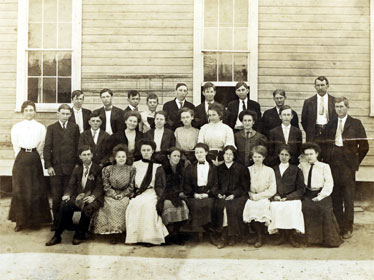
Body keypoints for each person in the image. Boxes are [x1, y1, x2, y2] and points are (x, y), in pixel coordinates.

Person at [325, 97, 369, 239]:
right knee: (336, 196)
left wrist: (355, 162)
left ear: (347, 107)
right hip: (333, 163)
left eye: (342, 106)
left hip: (347, 166)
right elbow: (325, 143)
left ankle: (348, 228)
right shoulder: (331, 124)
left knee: (348, 197)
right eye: (337, 107)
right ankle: (338, 225)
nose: (339, 109)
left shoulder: (355, 123)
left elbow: (364, 146)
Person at [46, 145, 104, 246]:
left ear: (92, 155)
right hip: (79, 197)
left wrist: (93, 197)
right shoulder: (77, 169)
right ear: (80, 157)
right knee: (65, 204)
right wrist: (67, 194)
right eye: (84, 155)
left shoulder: (98, 169)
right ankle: (57, 235)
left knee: (88, 208)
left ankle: (79, 234)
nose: (86, 157)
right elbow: (71, 185)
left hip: (93, 197)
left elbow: (100, 187)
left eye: (88, 154)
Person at [9, 101, 51, 232]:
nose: (29, 112)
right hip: (21, 158)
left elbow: (41, 144)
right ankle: (20, 221)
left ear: (35, 112)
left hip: (34, 157)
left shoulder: (40, 127)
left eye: (31, 110)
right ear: (22, 112)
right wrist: (21, 156)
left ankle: (35, 221)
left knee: (35, 188)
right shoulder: (17, 127)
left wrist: (34, 155)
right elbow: (15, 144)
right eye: (26, 110)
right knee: (20, 189)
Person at [125, 139, 168, 245]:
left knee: (149, 207)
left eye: (148, 150)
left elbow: (160, 185)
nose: (146, 152)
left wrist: (160, 197)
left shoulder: (158, 166)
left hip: (151, 192)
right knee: (134, 204)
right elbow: (130, 181)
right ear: (140, 151)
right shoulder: (134, 165)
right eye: (143, 150)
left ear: (153, 151)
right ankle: (135, 238)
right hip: (139, 192)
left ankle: (150, 238)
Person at [299, 142, 342, 247]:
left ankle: (328, 240)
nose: (309, 157)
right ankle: (309, 240)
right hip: (307, 193)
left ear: (316, 154)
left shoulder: (324, 166)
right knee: (306, 208)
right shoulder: (302, 166)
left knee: (324, 210)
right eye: (307, 154)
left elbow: (329, 183)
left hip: (321, 193)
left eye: (311, 154)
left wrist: (320, 196)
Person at [90, 144, 136, 244]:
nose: (121, 159)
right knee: (109, 205)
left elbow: (131, 186)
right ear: (115, 157)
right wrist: (114, 195)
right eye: (119, 156)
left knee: (124, 205)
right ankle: (113, 233)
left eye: (123, 156)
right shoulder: (107, 169)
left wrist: (123, 195)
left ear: (126, 157)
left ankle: (122, 232)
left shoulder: (131, 169)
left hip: (124, 194)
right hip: (110, 194)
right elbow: (106, 186)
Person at [44, 104, 80, 230]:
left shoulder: (74, 128)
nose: (65, 116)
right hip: (56, 169)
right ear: (58, 114)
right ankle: (56, 223)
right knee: (56, 196)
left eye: (67, 114)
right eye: (63, 113)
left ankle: (68, 222)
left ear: (70, 115)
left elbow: (77, 148)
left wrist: (77, 165)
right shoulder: (52, 128)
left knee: (68, 196)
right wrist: (49, 166)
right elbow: (47, 148)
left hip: (70, 169)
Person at [268, 145, 305, 247]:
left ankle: (290, 236)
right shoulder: (273, 170)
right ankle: (282, 235)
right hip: (277, 198)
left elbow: (301, 189)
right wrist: (275, 195)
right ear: (278, 155)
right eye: (282, 154)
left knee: (292, 208)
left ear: (290, 157)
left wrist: (288, 197)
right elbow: (269, 185)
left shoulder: (296, 170)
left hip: (292, 198)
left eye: (286, 155)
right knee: (275, 207)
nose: (284, 157)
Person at [213, 145, 250, 249]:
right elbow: (215, 185)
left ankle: (227, 236)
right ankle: (228, 235)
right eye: (226, 154)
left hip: (238, 196)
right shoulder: (218, 168)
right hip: (223, 196)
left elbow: (244, 187)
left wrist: (234, 195)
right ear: (223, 155)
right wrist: (219, 193)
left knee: (229, 208)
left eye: (230, 154)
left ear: (234, 156)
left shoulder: (241, 168)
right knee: (220, 206)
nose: (228, 156)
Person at [243, 145, 276, 248]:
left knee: (262, 206)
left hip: (264, 197)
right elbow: (244, 186)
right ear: (252, 158)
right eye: (255, 157)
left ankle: (260, 237)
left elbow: (272, 189)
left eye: (259, 157)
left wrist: (259, 196)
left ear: (264, 157)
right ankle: (256, 234)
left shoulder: (269, 170)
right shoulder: (247, 170)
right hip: (251, 196)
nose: (257, 159)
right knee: (251, 206)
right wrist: (251, 195)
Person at [183, 143, 218, 241]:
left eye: (201, 152)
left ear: (206, 153)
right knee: (195, 205)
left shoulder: (213, 167)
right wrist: (194, 194)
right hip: (194, 193)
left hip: (208, 193)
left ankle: (210, 233)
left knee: (209, 204)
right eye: (197, 152)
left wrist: (208, 193)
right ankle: (197, 232)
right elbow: (186, 184)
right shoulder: (190, 168)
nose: (199, 154)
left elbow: (216, 184)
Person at [155, 148, 190, 245]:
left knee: (182, 204)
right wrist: (163, 195)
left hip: (178, 194)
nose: (177, 158)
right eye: (174, 155)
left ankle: (176, 232)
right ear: (168, 156)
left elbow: (184, 184)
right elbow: (158, 186)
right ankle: (169, 234)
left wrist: (182, 192)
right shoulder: (161, 169)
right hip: (165, 194)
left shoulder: (181, 169)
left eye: (178, 156)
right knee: (167, 204)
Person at [301, 76, 337, 160]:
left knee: (328, 159)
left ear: (327, 86)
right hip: (314, 134)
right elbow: (304, 121)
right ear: (315, 86)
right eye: (318, 85)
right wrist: (311, 131)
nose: (320, 88)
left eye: (322, 85)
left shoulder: (334, 101)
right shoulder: (308, 102)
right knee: (314, 159)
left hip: (329, 134)